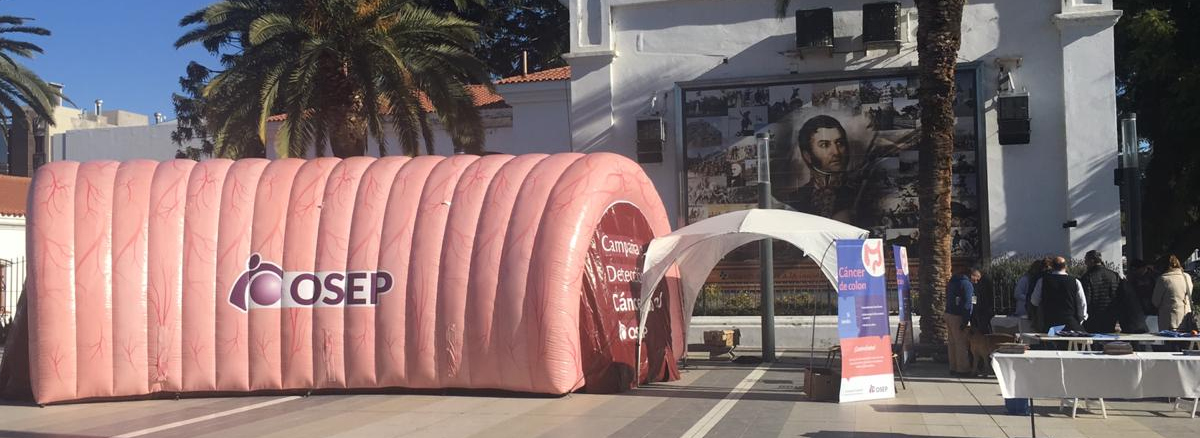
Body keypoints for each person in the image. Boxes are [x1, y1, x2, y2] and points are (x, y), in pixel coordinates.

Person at [778, 115, 854, 222]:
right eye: (825, 145)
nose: (836, 152)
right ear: (807, 155)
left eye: (840, 143)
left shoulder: (862, 192)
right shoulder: (794, 199)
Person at [1030, 257, 1087, 332]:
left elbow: (1034, 301)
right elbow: (1082, 303)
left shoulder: (1042, 281)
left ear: (1052, 266)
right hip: (1070, 322)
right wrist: (1081, 319)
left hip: (1049, 323)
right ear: (1065, 266)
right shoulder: (1075, 281)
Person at [944, 267, 981, 376]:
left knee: (952, 342)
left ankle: (953, 367)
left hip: (949, 313)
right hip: (958, 316)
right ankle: (963, 369)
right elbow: (968, 303)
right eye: (977, 278)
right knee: (961, 343)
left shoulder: (953, 281)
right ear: (972, 275)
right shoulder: (967, 284)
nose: (977, 281)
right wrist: (966, 320)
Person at [1080, 250, 1121, 333]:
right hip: (1110, 314)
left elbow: (1086, 299)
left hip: (1093, 316)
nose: (1085, 263)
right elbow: (1118, 295)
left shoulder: (1087, 277)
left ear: (1092, 260)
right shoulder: (1114, 275)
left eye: (1086, 260)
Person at [1151, 255, 1194, 331]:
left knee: (1170, 338)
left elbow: (1155, 301)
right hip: (1187, 319)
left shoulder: (1163, 279)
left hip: (1170, 321)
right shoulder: (1187, 277)